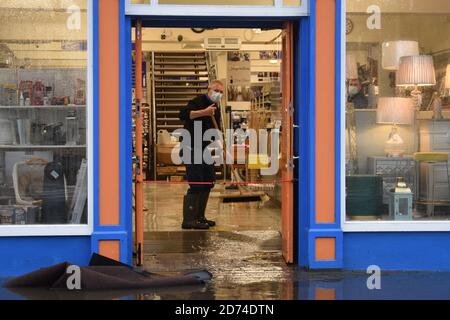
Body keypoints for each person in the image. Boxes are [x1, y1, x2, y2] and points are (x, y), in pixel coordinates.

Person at [179, 80, 225, 230]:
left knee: (208, 181)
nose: (219, 94)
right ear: (209, 89)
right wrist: (204, 112)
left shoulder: (216, 108)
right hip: (191, 147)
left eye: (221, 92)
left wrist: (219, 144)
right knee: (196, 183)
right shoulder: (198, 101)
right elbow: (183, 114)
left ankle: (200, 217)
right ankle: (189, 220)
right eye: (217, 90)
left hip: (204, 149)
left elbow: (212, 130)